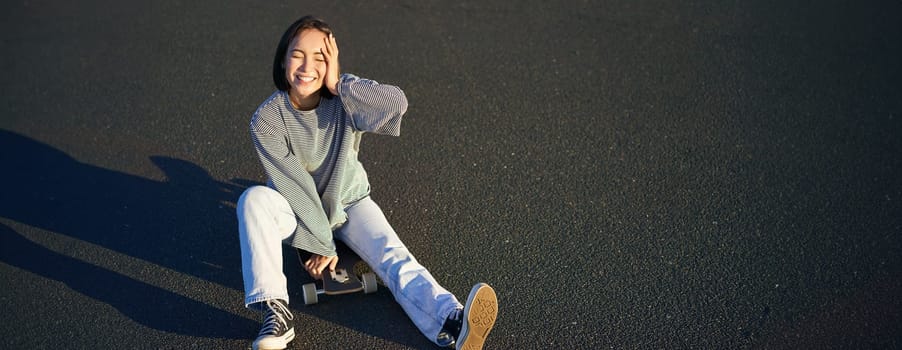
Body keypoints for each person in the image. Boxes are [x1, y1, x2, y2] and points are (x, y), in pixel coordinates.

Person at [236, 15, 498, 350]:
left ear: (332, 61)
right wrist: (320, 245)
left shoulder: (346, 96)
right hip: (298, 210)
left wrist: (339, 85)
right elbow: (297, 189)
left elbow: (396, 103)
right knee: (253, 199)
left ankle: (453, 320)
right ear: (284, 58)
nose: (307, 66)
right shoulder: (267, 120)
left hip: (350, 202)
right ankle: (275, 313)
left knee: (395, 257)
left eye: (320, 57)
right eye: (298, 54)